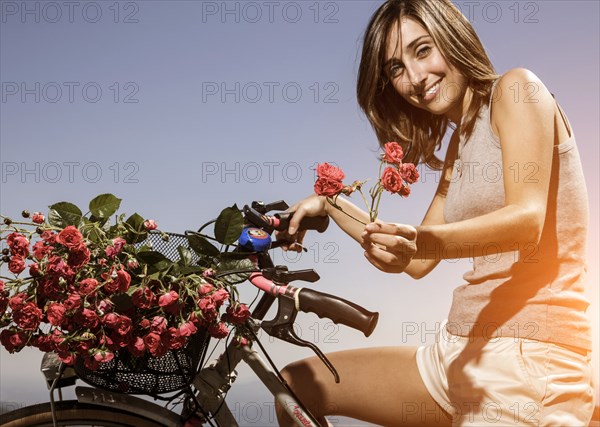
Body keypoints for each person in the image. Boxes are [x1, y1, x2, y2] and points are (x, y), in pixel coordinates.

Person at [274, 0, 595, 426]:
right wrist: (331, 204)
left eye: (422, 51)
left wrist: (418, 241)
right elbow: (420, 259)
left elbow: (527, 220)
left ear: (453, 37)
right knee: (295, 385)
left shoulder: (516, 89)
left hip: (529, 362)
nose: (415, 78)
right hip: (455, 350)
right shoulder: (460, 145)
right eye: (396, 69)